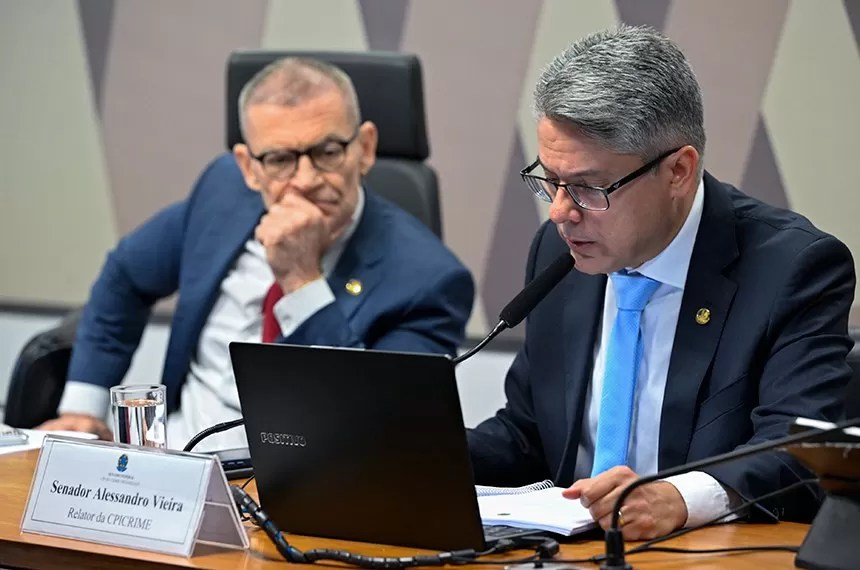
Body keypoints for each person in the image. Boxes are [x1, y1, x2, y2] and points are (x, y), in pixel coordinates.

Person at [467, 25, 856, 541]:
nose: (561, 212)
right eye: (551, 181)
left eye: (588, 187)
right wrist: (415, 450)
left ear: (678, 171)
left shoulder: (792, 268)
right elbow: (528, 434)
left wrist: (678, 498)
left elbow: (796, 451)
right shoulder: (559, 253)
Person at [38, 57, 475, 451]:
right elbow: (125, 276)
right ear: (249, 168)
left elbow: (377, 432)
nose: (305, 180)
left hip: (300, 487)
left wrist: (302, 282)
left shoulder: (429, 281)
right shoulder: (222, 193)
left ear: (365, 148)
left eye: (327, 152)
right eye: (281, 159)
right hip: (177, 458)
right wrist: (83, 409)